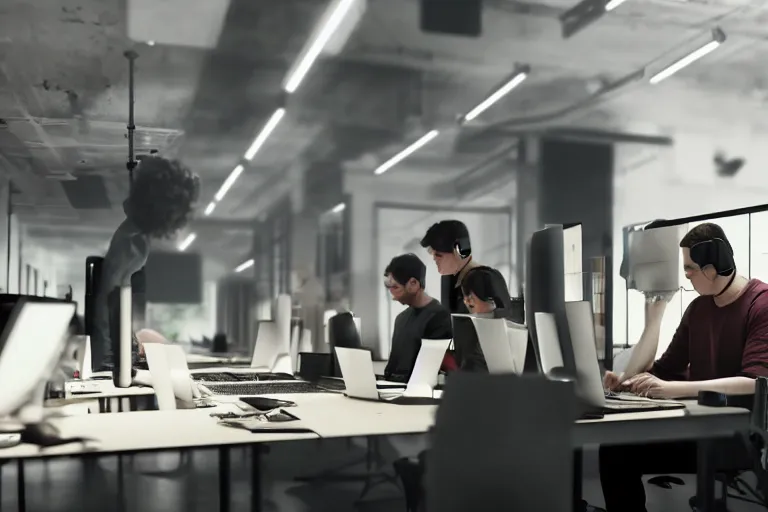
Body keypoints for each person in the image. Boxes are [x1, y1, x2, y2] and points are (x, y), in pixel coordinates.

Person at [595, 222, 768, 512]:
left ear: (711, 269)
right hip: (698, 429)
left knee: (618, 452)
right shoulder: (698, 308)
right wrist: (625, 381)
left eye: (690, 268)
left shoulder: (760, 304)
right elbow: (665, 369)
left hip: (737, 438)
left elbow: (755, 381)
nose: (685, 274)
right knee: (614, 449)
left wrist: (673, 389)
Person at [92, 156, 199, 371]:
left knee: (170, 352)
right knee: (177, 364)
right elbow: (105, 305)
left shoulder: (133, 234)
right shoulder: (132, 246)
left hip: (119, 348)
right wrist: (112, 363)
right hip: (112, 356)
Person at [383, 254, 452, 382]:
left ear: (413, 283)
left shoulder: (439, 317)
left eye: (396, 287)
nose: (393, 296)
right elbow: (391, 367)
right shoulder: (401, 319)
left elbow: (429, 370)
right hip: (393, 390)